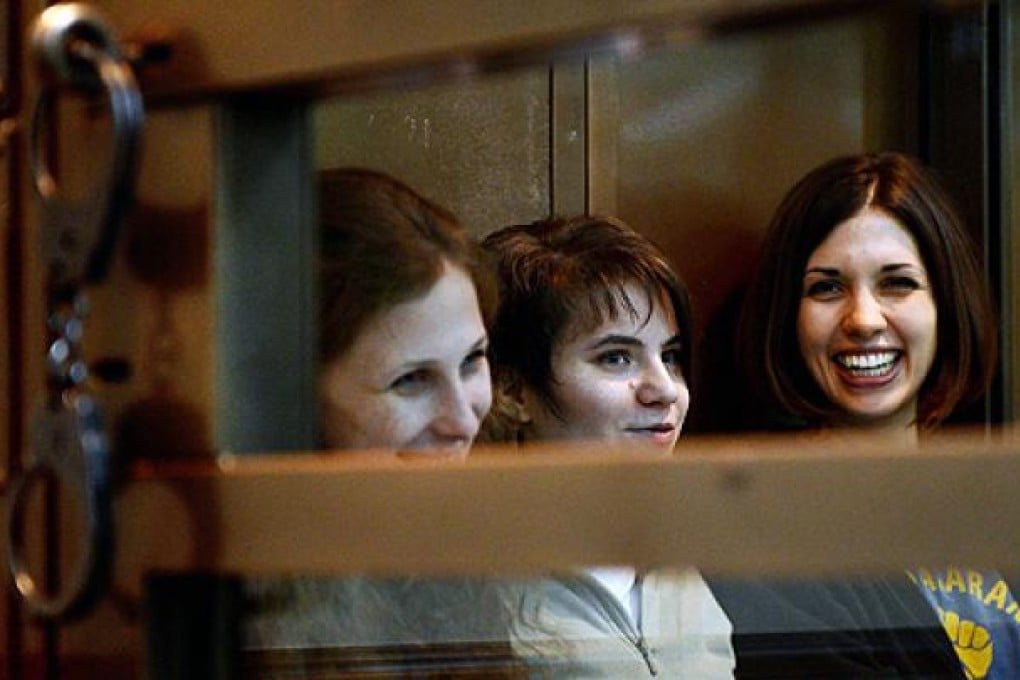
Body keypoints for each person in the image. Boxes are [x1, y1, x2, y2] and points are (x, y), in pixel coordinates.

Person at [722, 151, 1009, 678]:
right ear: (787, 316)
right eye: (827, 287)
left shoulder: (990, 496)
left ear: (947, 304)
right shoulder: (771, 539)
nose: (864, 320)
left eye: (897, 283)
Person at [245, 169, 516, 674]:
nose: (463, 420)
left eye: (472, 361)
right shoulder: (238, 607)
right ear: (292, 397)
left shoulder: (447, 550)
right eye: (411, 380)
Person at [480, 215, 735, 677]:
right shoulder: (469, 585)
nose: (666, 390)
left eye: (671, 356)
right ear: (513, 390)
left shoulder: (680, 551)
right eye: (616, 358)